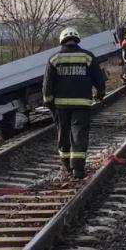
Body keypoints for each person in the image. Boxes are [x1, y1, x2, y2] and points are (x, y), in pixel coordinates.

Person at [42, 27, 106, 179]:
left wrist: (48, 103)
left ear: (62, 41)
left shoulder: (54, 58)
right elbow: (99, 79)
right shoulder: (88, 57)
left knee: (63, 133)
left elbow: (47, 85)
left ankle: (66, 165)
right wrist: (100, 93)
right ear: (77, 40)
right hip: (82, 104)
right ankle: (78, 169)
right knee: (79, 134)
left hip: (61, 106)